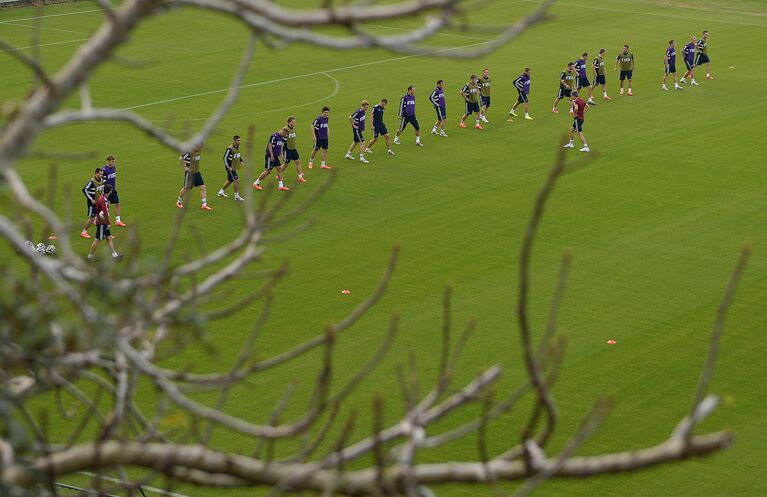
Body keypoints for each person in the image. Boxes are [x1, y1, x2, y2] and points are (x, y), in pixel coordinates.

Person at [87, 184, 123, 261]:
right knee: (97, 240)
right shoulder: (104, 200)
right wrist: (108, 223)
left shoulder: (102, 197)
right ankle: (90, 256)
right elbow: (105, 212)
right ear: (109, 191)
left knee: (109, 238)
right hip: (102, 223)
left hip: (102, 222)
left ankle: (114, 255)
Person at [176, 143, 211, 210]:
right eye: (200, 146)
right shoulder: (189, 152)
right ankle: (179, 202)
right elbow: (181, 159)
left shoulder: (199, 151)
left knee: (202, 187)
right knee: (186, 188)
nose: (201, 148)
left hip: (197, 172)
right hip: (189, 174)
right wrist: (185, 168)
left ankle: (204, 204)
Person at [217, 135, 245, 201]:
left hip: (234, 166)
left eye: (240, 140)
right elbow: (225, 158)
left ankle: (221, 192)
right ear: (234, 141)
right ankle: (236, 196)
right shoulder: (229, 149)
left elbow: (238, 154)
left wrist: (241, 160)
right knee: (236, 180)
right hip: (230, 167)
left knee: (230, 180)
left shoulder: (238, 147)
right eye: (238, 140)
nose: (239, 141)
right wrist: (228, 167)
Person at [102, 155, 126, 226]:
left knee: (117, 204)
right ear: (108, 161)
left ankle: (118, 221)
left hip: (113, 190)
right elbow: (101, 181)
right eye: (112, 161)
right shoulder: (104, 170)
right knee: (106, 207)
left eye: (114, 161)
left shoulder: (114, 168)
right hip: (106, 192)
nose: (114, 163)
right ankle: (100, 220)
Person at [81, 168, 104, 239]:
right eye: (100, 174)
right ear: (96, 173)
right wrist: (91, 199)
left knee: (101, 215)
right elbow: (84, 189)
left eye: (102, 174)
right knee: (92, 218)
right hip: (92, 203)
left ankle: (101, 231)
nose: (101, 175)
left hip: (99, 201)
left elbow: (101, 190)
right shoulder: (92, 182)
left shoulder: (102, 180)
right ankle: (84, 232)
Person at [283, 117, 306, 182]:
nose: (294, 123)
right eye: (293, 121)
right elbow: (282, 140)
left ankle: (300, 176)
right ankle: (279, 174)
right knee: (286, 164)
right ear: (289, 122)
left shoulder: (294, 128)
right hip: (287, 149)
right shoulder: (285, 130)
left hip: (293, 148)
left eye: (294, 121)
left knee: (298, 161)